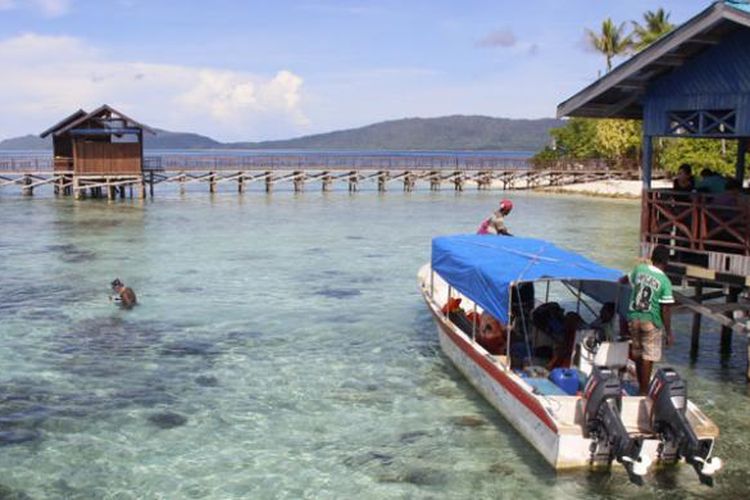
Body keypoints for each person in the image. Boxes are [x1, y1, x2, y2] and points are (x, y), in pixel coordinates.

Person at [626, 246, 674, 395]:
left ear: (652, 258)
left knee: (638, 354)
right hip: (650, 320)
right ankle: (644, 391)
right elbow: (665, 309)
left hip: (634, 317)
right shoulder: (665, 281)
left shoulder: (640, 270)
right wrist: (668, 332)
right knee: (649, 356)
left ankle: (641, 386)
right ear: (666, 261)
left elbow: (629, 281)